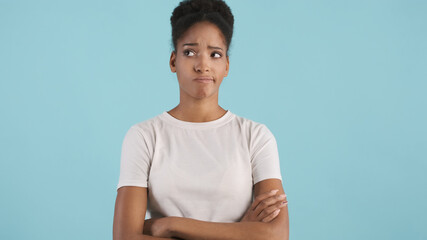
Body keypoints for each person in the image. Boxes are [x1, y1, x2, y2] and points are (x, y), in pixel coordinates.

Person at [113, 0, 289, 239]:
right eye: (190, 52)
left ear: (226, 65)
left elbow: (277, 235)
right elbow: (125, 237)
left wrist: (170, 225)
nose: (203, 65)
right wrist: (241, 232)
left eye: (215, 54)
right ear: (173, 61)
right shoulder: (144, 136)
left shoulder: (256, 137)